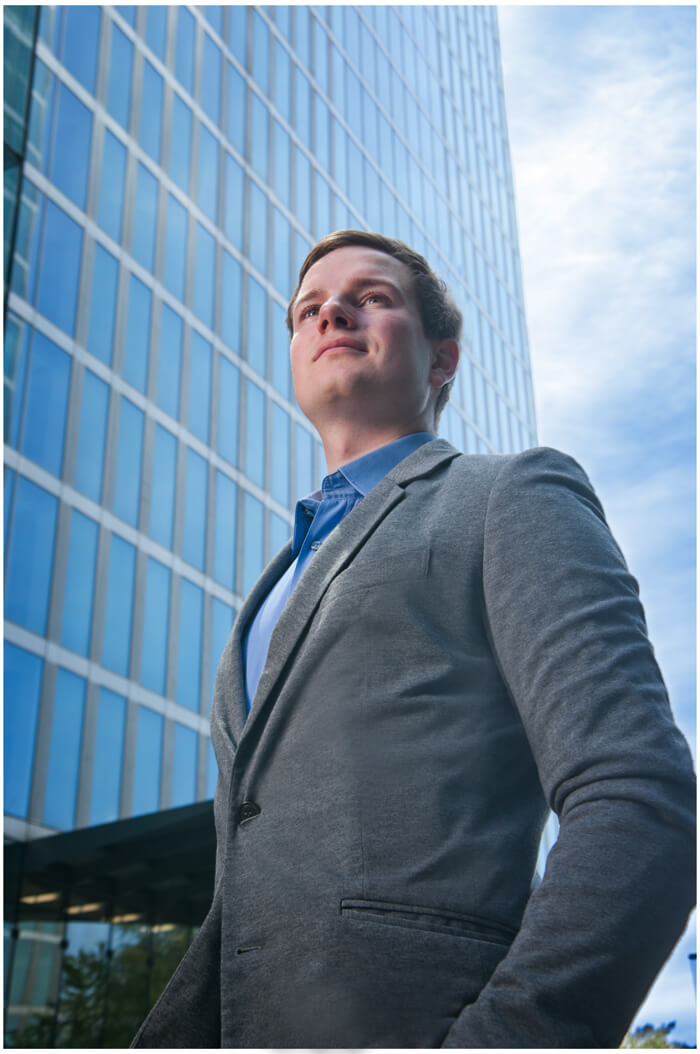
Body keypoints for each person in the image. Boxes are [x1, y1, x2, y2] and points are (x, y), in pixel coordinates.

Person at [132, 231, 695, 1049]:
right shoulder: (274, 585)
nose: (334, 310)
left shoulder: (511, 496)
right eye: (309, 308)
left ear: (441, 361)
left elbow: (639, 797)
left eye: (374, 296)